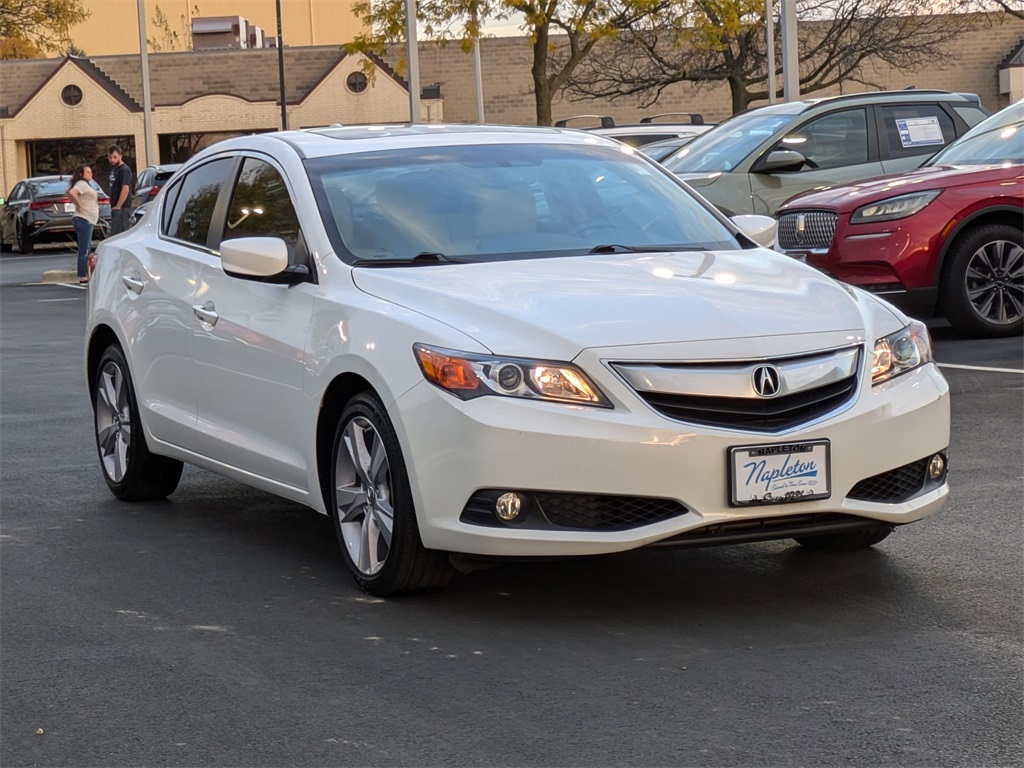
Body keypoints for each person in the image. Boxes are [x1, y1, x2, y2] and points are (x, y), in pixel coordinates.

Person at [67, 165, 99, 284]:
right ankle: (82, 275)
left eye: (91, 172)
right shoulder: (81, 184)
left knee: (86, 246)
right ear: (81, 174)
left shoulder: (86, 185)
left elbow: (67, 193)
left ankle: (85, 273)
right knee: (84, 248)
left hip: (87, 219)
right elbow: (71, 193)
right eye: (87, 172)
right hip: (83, 219)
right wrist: (80, 205)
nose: (90, 174)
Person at [107, 145, 133, 235]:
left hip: (122, 209)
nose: (112, 160)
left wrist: (118, 206)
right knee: (115, 234)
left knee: (121, 235)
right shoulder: (114, 170)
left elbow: (125, 189)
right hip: (115, 208)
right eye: (110, 157)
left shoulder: (124, 170)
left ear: (120, 156)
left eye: (115, 157)